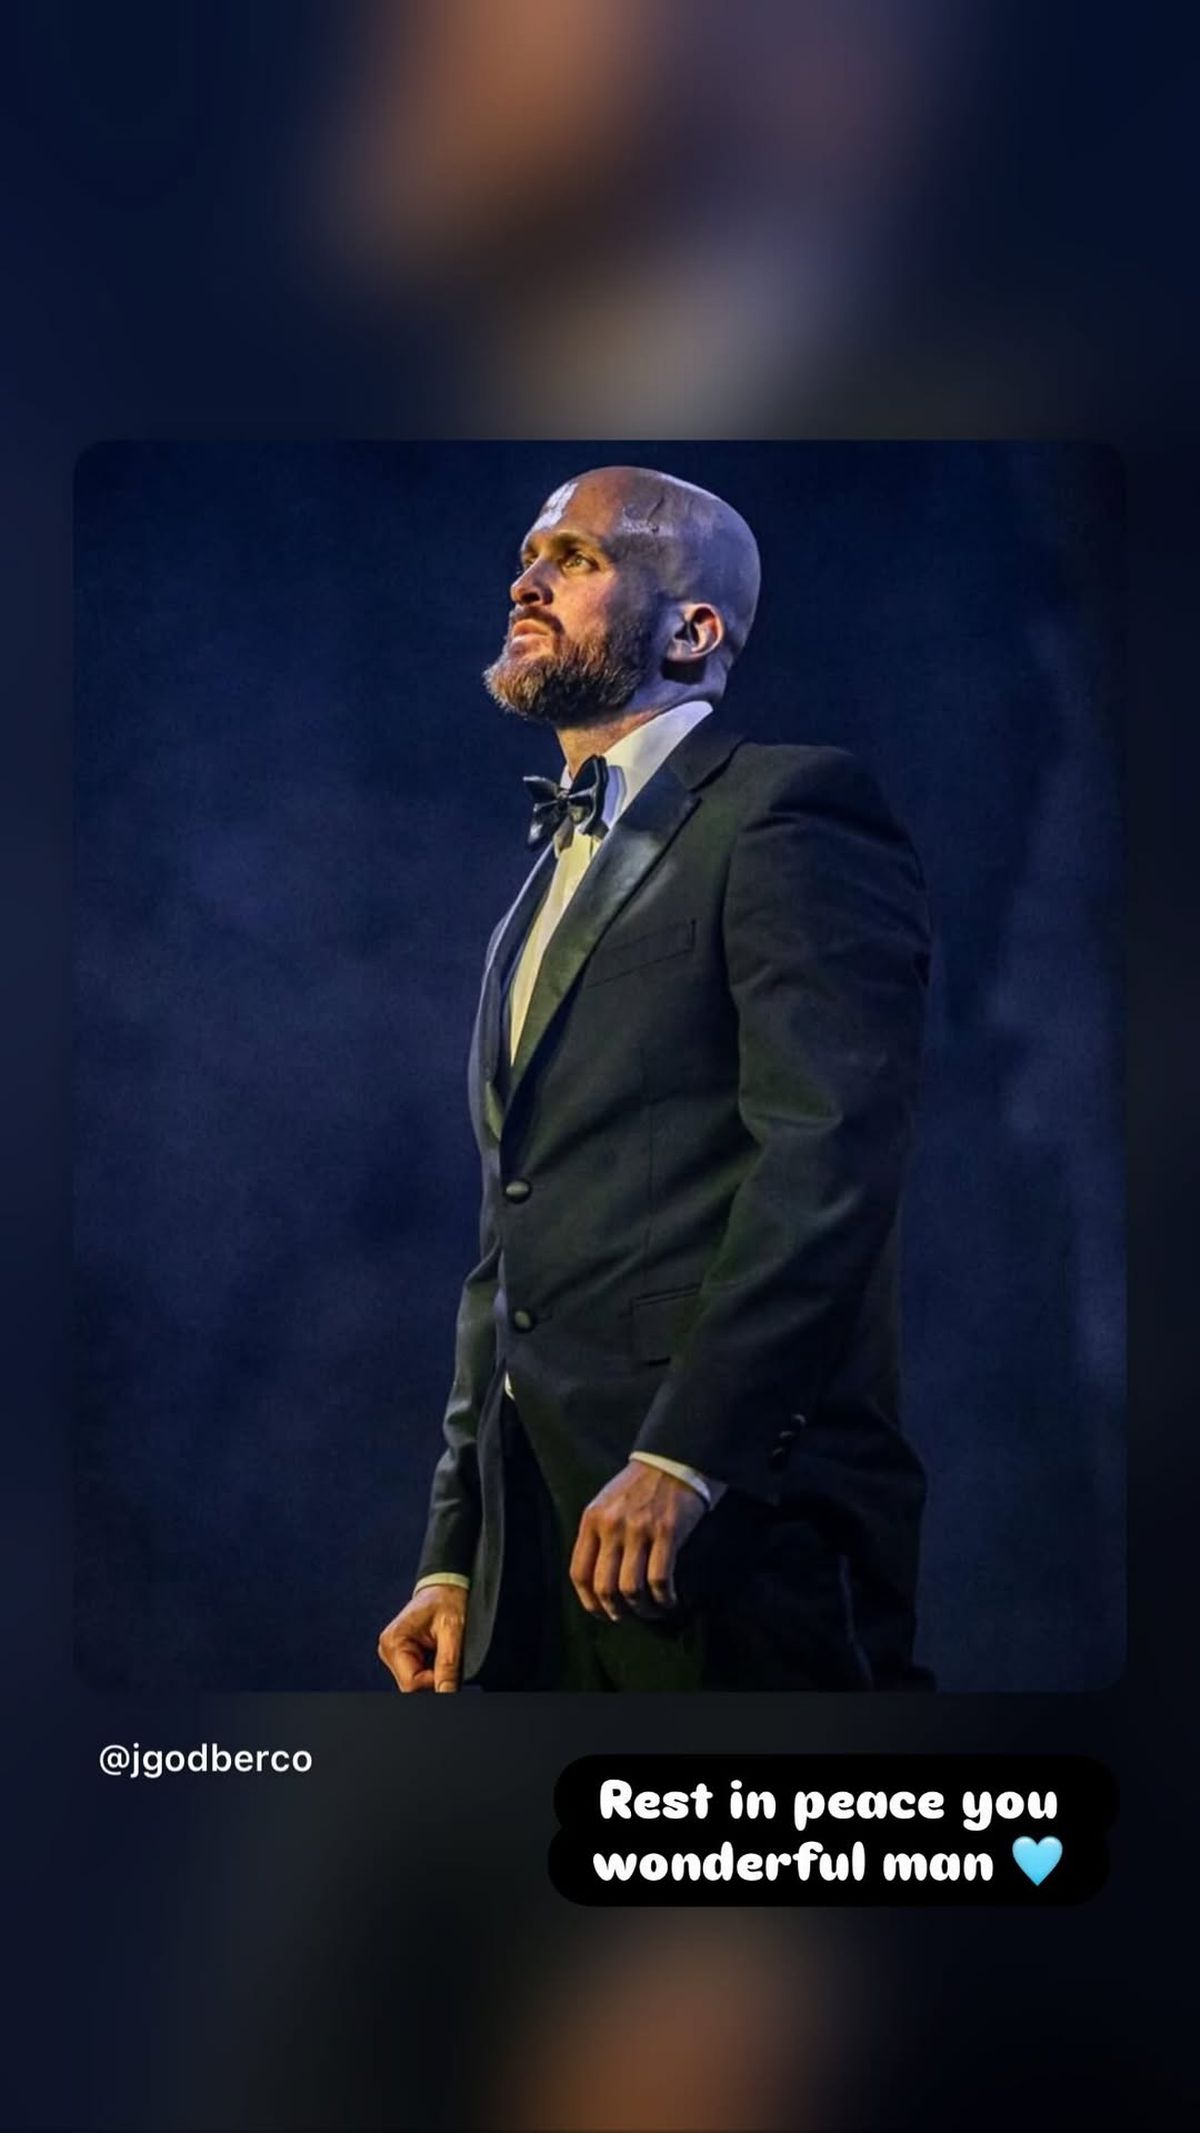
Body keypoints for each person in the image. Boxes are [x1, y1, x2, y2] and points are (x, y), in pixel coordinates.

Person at [378, 466, 932, 1692]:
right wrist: (456, 1552)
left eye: (575, 559)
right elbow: (507, 1243)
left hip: (731, 1525)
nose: (525, 583)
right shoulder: (536, 889)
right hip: (540, 1541)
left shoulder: (787, 810)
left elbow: (830, 1158)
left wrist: (688, 1454)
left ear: (692, 629)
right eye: (528, 557)